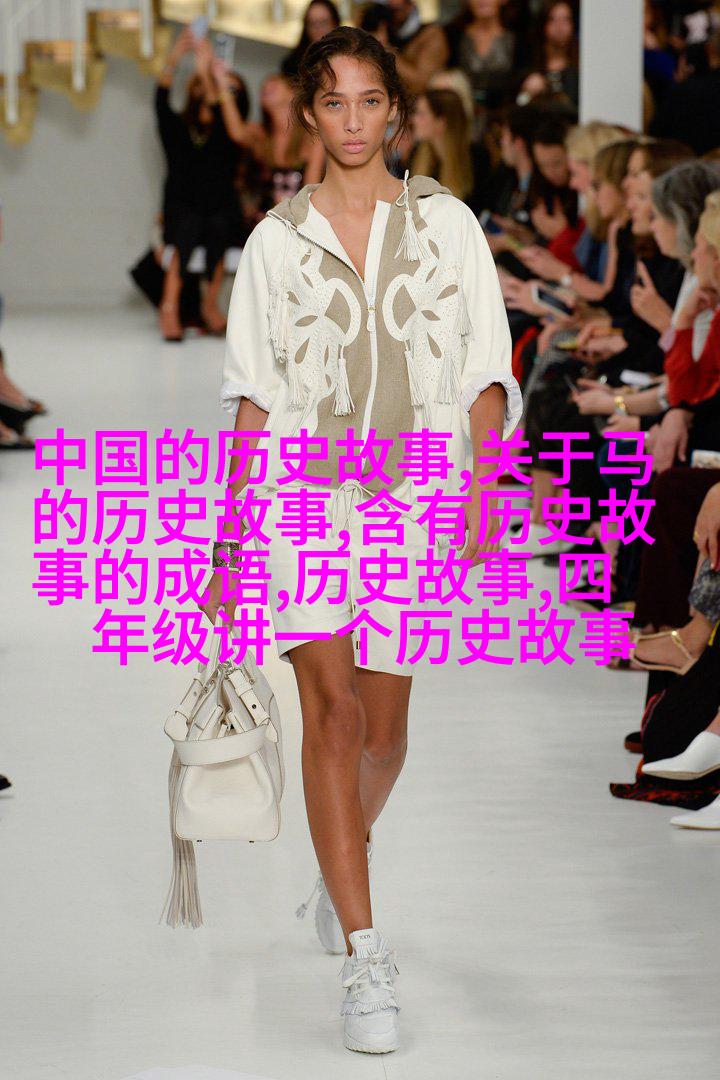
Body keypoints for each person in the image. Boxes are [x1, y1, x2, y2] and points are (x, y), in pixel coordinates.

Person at [202, 24, 521, 1055]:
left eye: (369, 100)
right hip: (302, 504)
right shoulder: (275, 241)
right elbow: (254, 396)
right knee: (333, 720)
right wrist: (228, 540)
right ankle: (365, 951)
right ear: (309, 112)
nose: (351, 121)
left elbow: (482, 366)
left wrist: (487, 486)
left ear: (397, 112)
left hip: (416, 501)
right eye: (332, 101)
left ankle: (341, 861)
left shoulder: (449, 226)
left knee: (385, 737)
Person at [155, 28, 248, 341]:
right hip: (183, 208)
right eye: (199, 83)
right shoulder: (179, 128)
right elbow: (160, 103)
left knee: (219, 223)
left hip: (219, 209)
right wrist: (173, 59)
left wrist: (208, 73)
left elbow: (223, 118)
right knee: (190, 224)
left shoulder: (230, 131)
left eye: (230, 89)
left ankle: (209, 304)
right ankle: (169, 306)